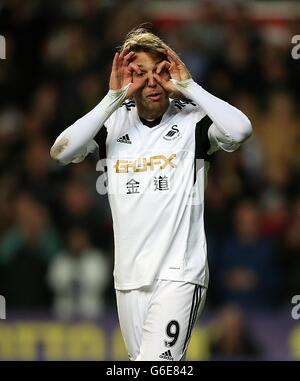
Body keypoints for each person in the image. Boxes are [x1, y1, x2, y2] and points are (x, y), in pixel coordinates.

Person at [50, 27, 252, 361]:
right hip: (128, 279)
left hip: (179, 275)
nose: (152, 81)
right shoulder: (111, 126)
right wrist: (112, 98)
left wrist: (189, 87)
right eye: (140, 73)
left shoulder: (193, 123)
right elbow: (61, 150)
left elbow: (241, 129)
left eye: (160, 71)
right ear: (127, 77)